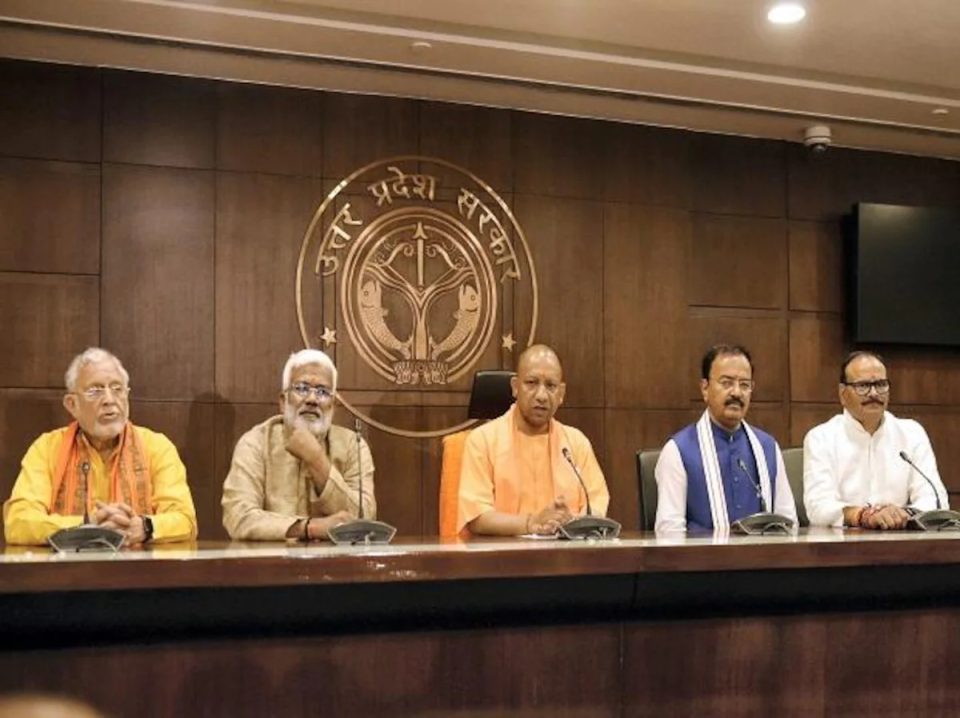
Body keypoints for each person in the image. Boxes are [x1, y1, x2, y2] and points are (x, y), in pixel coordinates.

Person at [3, 348, 197, 545]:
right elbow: (18, 523)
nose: (109, 400)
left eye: (117, 389)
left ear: (127, 395)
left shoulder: (156, 447)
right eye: (95, 391)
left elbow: (185, 520)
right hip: (69, 564)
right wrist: (87, 526)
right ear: (72, 404)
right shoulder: (47, 449)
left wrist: (144, 527)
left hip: (138, 563)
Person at [221, 349, 376, 541]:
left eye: (322, 392)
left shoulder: (353, 445)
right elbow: (238, 517)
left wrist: (317, 460)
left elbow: (364, 519)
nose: (312, 400)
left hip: (336, 559)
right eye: (301, 388)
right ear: (283, 401)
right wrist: (311, 528)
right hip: (272, 559)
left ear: (333, 405)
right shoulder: (256, 442)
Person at [457, 344, 610, 536]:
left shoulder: (576, 443)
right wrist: (531, 523)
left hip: (565, 551)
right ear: (515, 387)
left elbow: (596, 504)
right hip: (504, 551)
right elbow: (477, 518)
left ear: (561, 394)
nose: (541, 396)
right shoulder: (482, 441)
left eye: (551, 386)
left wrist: (571, 523)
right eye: (531, 383)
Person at [655, 344, 797, 532]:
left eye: (744, 385)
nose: (736, 392)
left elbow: (788, 523)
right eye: (726, 383)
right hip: (702, 551)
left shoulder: (768, 448)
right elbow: (669, 531)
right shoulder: (678, 451)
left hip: (760, 551)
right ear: (705, 388)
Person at [803, 351, 948, 529]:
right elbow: (818, 507)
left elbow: (936, 499)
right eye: (863, 386)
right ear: (843, 393)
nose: (873, 393)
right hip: (843, 541)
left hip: (900, 537)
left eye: (880, 385)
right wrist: (864, 516)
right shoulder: (821, 437)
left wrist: (901, 515)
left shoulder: (911, 433)